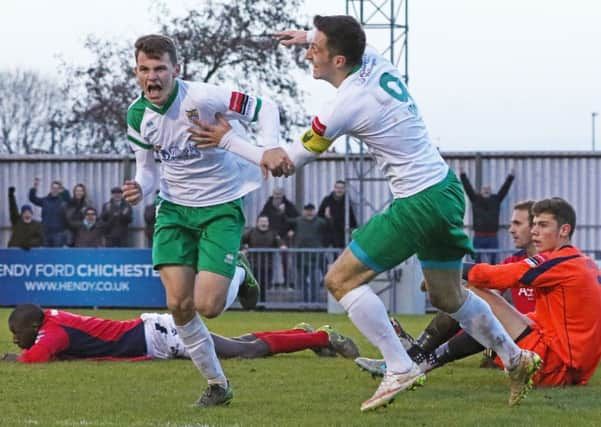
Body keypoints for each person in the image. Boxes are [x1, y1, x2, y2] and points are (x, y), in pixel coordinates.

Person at [189, 15, 540, 410]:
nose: (308, 55)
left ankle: (399, 365)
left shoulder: (344, 105)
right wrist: (306, 34)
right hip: (446, 190)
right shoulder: (373, 59)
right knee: (448, 295)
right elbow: (351, 40)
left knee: (340, 281)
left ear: (338, 60)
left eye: (315, 49)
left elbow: (284, 163)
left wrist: (228, 139)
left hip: (418, 200)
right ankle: (516, 356)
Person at [122, 34, 280, 407]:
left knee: (209, 306)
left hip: (220, 206)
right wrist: (139, 189)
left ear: (177, 70)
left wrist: (271, 145)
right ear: (136, 72)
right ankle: (217, 384)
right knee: (179, 305)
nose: (152, 77)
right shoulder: (136, 116)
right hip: (174, 210)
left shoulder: (203, 98)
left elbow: (265, 106)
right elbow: (147, 172)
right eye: (144, 69)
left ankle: (239, 272)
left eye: (160, 68)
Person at [358, 198, 601, 392]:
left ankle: (410, 362)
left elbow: (496, 277)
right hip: (568, 366)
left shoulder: (561, 262)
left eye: (542, 225)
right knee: (481, 309)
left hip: (551, 366)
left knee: (474, 296)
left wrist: (445, 271)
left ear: (564, 230)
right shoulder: (583, 262)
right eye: (533, 224)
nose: (535, 231)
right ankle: (413, 361)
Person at [1, 304, 359, 363]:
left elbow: (35, 358)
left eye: (17, 332)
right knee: (240, 343)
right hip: (155, 330)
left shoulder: (52, 332)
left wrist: (14, 357)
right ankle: (301, 332)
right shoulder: (50, 319)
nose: (15, 338)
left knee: (245, 352)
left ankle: (323, 337)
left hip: (160, 336)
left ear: (33, 326)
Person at [460, 167, 515, 264]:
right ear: (480, 191)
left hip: (492, 237)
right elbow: (467, 187)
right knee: (476, 261)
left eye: (488, 189)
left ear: (490, 191)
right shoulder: (475, 199)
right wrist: (462, 175)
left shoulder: (496, 200)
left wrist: (510, 177)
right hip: (478, 237)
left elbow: (504, 189)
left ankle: (492, 278)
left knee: (494, 261)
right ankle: (476, 279)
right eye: (484, 189)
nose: (486, 190)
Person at [241, 215, 287, 302]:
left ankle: (262, 304)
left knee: (264, 285)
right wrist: (243, 248)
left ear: (268, 223)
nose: (263, 223)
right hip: (253, 264)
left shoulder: (273, 233)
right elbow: (241, 240)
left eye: (265, 221)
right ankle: (252, 303)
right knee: (252, 285)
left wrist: (282, 246)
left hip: (267, 265)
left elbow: (279, 242)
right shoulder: (251, 232)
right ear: (257, 223)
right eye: (262, 221)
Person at [259, 187, 299, 287]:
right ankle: (267, 284)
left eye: (279, 194)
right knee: (267, 260)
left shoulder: (288, 205)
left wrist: (292, 230)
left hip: (284, 236)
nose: (277, 196)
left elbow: (297, 220)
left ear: (283, 194)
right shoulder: (268, 205)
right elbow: (261, 217)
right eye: (275, 194)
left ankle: (287, 283)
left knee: (285, 261)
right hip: (270, 235)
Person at [288, 203, 328, 302]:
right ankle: (306, 302)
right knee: (302, 282)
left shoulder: (321, 222)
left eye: (311, 210)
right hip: (300, 257)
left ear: (315, 211)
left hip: (315, 258)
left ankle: (314, 302)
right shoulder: (297, 221)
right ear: (303, 211)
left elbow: (330, 230)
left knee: (315, 281)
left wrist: (329, 218)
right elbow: (283, 223)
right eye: (307, 210)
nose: (309, 212)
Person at [28, 177, 69, 247]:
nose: (55, 190)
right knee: (45, 254)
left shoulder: (63, 201)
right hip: (45, 233)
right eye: (53, 188)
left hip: (58, 234)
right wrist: (35, 187)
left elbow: (68, 198)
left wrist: (63, 188)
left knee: (57, 254)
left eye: (57, 188)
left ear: (59, 190)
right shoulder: (45, 200)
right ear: (51, 189)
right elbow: (32, 198)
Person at [317, 180, 357, 248]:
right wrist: (326, 217)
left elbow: (352, 218)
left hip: (342, 234)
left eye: (341, 188)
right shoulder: (327, 200)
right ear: (334, 188)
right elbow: (319, 216)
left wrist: (354, 230)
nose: (339, 190)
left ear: (344, 189)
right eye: (337, 188)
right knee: (323, 254)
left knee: (340, 254)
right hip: (327, 232)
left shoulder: (347, 201)